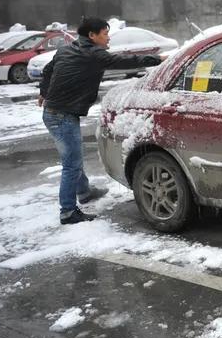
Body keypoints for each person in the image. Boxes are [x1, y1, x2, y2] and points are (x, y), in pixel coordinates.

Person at [39, 17, 165, 225]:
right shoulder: (94, 54)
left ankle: (84, 192)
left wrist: (44, 92)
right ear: (92, 36)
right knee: (71, 164)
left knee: (72, 156)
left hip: (53, 112)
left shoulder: (67, 49)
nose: (108, 38)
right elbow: (124, 61)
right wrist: (157, 59)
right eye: (105, 34)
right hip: (62, 115)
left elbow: (47, 70)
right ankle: (68, 212)